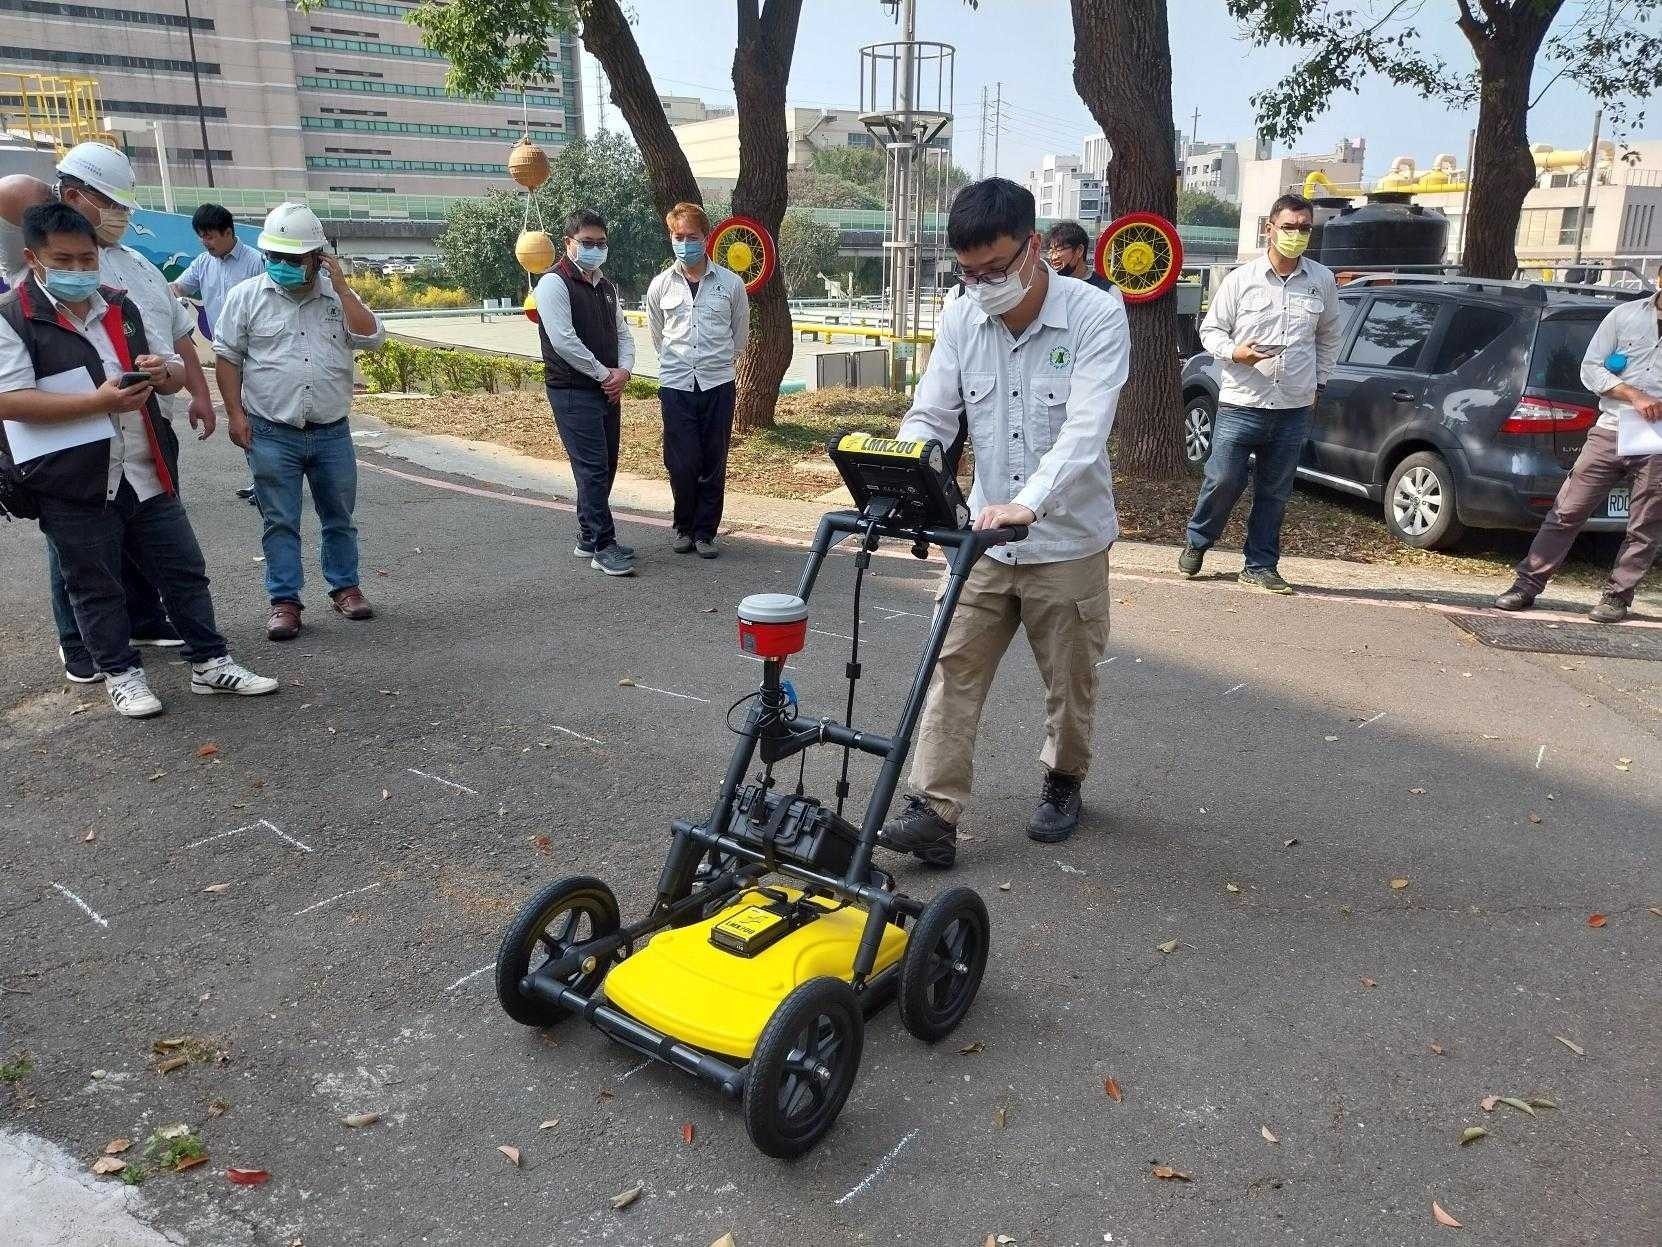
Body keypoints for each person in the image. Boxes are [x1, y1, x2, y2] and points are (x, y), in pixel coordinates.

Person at [876, 178, 1129, 868]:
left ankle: (1062, 779)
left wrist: (1033, 500)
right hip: (985, 537)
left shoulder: (1097, 317)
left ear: (1036, 248)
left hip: (1066, 536)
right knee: (950, 665)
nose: (982, 283)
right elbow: (934, 412)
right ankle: (933, 807)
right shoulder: (962, 315)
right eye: (968, 271)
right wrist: (903, 473)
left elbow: (1085, 429)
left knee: (1069, 680)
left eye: (994, 268)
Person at [0, 203, 276, 717]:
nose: (80, 271)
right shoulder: (13, 319)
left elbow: (167, 371)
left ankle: (210, 663)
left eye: (87, 259)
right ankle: (121, 674)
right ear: (34, 259)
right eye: (65, 260)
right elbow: (9, 400)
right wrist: (97, 402)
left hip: (145, 465)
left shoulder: (118, 307)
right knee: (94, 583)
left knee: (183, 571)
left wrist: (162, 372)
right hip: (72, 479)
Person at [1, 143, 218, 681]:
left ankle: (149, 625)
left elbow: (176, 332)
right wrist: (97, 401)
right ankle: (86, 650)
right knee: (81, 558)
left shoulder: (127, 275)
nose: (121, 215)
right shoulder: (27, 295)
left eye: (86, 259)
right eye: (110, 202)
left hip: (143, 429)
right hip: (69, 453)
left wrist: (192, 388)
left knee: (156, 546)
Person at [213, 203, 385, 642]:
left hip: (331, 432)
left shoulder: (336, 298)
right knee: (279, 519)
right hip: (271, 432)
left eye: (295, 259)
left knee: (339, 517)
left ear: (317, 258)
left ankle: (345, 588)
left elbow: (373, 338)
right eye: (276, 257)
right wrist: (234, 413)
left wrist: (343, 289)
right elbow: (228, 358)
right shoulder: (246, 297)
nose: (283, 266)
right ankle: (284, 602)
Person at [1178, 193, 1342, 594]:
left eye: (1304, 228)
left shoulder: (1322, 281)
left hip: (1293, 406)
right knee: (1223, 480)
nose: (1297, 235)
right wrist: (1237, 353)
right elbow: (1211, 330)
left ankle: (1260, 564)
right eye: (1289, 227)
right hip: (1241, 402)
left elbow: (1329, 337)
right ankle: (1198, 541)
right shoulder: (1241, 280)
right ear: (1270, 229)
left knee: (1275, 491)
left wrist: (1318, 382)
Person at [1495, 289, 1662, 623]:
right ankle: (1527, 585)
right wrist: (1634, 394)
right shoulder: (1626, 315)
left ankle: (1617, 597)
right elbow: (1592, 369)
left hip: (1657, 440)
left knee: (1645, 524)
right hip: (1612, 427)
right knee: (1567, 510)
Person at [534, 209, 637, 576]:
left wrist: (623, 371)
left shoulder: (605, 286)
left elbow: (623, 333)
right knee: (592, 468)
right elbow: (564, 340)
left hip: (607, 388)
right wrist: (602, 374)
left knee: (604, 466)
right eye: (587, 243)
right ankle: (604, 546)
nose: (595, 249)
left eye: (601, 243)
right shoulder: (553, 284)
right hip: (574, 390)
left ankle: (588, 536)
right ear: (568, 243)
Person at [645, 201, 749, 559]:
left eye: (692, 236)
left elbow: (739, 338)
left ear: (707, 237)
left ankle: (705, 533)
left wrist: (714, 363)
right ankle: (683, 527)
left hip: (717, 383)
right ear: (671, 238)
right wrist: (681, 364)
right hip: (676, 384)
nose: (685, 242)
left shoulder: (731, 284)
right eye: (679, 236)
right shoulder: (660, 285)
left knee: (713, 459)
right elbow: (658, 337)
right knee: (681, 461)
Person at [171, 203, 264, 505]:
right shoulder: (202, 263)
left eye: (210, 236)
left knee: (258, 416)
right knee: (239, 415)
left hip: (255, 353)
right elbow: (179, 287)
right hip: (226, 354)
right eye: (201, 237)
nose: (206, 243)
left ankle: (268, 482)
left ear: (228, 232)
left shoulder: (254, 262)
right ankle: (260, 480)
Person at [1043, 221, 1119, 296]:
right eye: (1051, 251)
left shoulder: (1107, 290)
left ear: (1079, 250)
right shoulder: (1048, 286)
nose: (1053, 257)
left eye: (1058, 249)